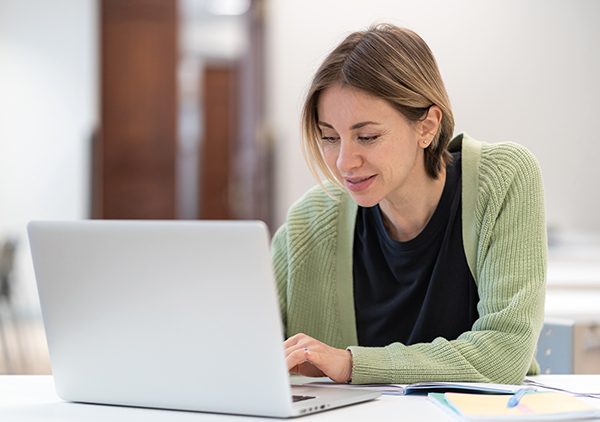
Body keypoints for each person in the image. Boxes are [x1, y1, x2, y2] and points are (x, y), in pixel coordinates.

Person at [271, 23, 547, 385]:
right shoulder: (308, 223)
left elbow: (505, 352)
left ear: (427, 126)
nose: (343, 162)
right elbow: (245, 350)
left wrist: (353, 364)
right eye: (330, 137)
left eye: (367, 137)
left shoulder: (502, 181)